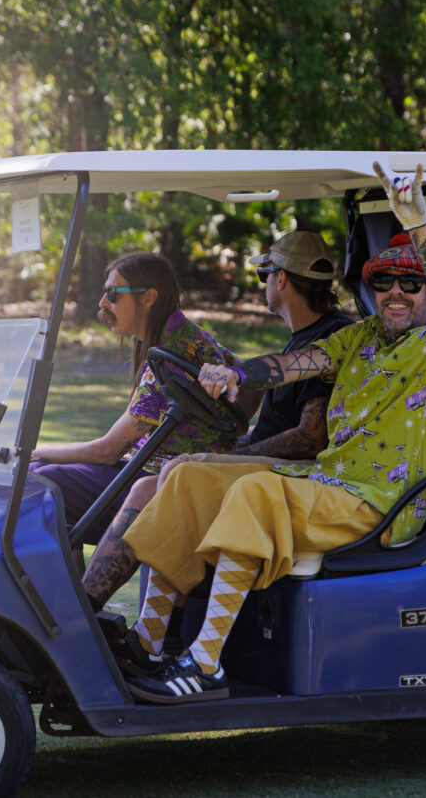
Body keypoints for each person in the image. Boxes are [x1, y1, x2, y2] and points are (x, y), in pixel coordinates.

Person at [119, 163, 426, 704]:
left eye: (413, 283)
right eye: (384, 282)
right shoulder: (358, 338)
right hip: (328, 482)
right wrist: (238, 374)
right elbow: (295, 363)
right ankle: (148, 644)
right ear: (371, 288)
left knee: (255, 491)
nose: (397, 293)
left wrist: (420, 226)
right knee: (190, 475)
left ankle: (206, 662)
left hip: (381, 502)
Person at [80, 232, 353, 618]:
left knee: (152, 487)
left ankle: (86, 613)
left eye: (265, 276)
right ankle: (150, 636)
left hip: (291, 478)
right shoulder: (303, 341)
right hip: (271, 471)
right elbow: (260, 390)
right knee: (167, 478)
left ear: (282, 280)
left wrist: (234, 453)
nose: (265, 286)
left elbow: (311, 436)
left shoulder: (325, 342)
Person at [28, 251, 237, 549]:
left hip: (159, 477)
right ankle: (73, 592)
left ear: (148, 297)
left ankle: (73, 594)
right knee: (42, 477)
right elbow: (241, 374)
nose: (102, 303)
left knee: (42, 483)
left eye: (113, 294)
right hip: (159, 468)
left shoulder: (168, 357)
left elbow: (109, 450)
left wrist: (36, 451)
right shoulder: (189, 335)